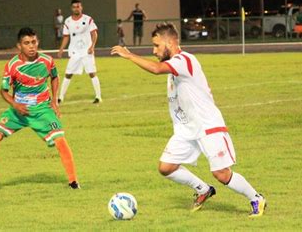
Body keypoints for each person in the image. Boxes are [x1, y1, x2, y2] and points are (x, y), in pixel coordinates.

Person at [110, 23, 266, 217]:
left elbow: (157, 69)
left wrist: (130, 55)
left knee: (221, 174)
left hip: (208, 126)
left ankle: (256, 198)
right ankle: (203, 190)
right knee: (166, 167)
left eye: (157, 45)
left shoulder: (184, 60)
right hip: (187, 130)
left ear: (170, 42)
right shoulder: (175, 67)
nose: (154, 50)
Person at [0, 27, 80, 192]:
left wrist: (54, 101)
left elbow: (55, 76)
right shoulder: (12, 65)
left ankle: (74, 182)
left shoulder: (47, 61)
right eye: (27, 43)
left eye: (34, 42)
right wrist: (15, 105)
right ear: (19, 46)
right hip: (18, 111)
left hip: (42, 110)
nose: (31, 46)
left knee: (60, 141)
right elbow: (3, 91)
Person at [57, 0, 101, 104]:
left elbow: (94, 34)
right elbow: (66, 37)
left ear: (81, 7)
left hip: (87, 51)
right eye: (74, 7)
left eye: (78, 6)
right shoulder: (67, 21)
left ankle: (98, 97)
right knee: (68, 74)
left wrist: (92, 46)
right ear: (71, 8)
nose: (76, 8)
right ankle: (60, 97)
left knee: (92, 73)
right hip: (75, 52)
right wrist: (61, 49)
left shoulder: (88, 19)